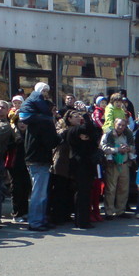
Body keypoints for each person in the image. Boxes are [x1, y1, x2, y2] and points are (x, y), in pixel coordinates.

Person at [20, 82, 60, 231]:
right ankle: (36, 222)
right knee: (39, 193)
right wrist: (60, 137)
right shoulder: (45, 122)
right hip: (39, 159)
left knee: (41, 192)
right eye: (53, 109)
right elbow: (51, 142)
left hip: (35, 158)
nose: (55, 112)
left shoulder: (34, 121)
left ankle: (41, 219)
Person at [66, 108, 101, 229]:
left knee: (86, 193)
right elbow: (86, 128)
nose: (78, 117)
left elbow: (94, 132)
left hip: (88, 164)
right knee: (82, 193)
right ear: (69, 120)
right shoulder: (71, 130)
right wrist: (86, 116)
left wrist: (89, 135)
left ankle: (83, 219)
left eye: (79, 116)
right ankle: (81, 221)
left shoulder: (82, 129)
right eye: (75, 116)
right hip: (79, 165)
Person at [101, 117, 135, 219]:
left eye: (123, 125)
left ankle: (121, 210)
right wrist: (117, 149)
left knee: (123, 188)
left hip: (124, 164)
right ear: (114, 124)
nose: (121, 127)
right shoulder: (108, 135)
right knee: (111, 189)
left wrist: (128, 149)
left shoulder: (128, 135)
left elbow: (133, 147)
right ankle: (109, 212)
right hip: (113, 164)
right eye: (119, 125)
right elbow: (103, 148)